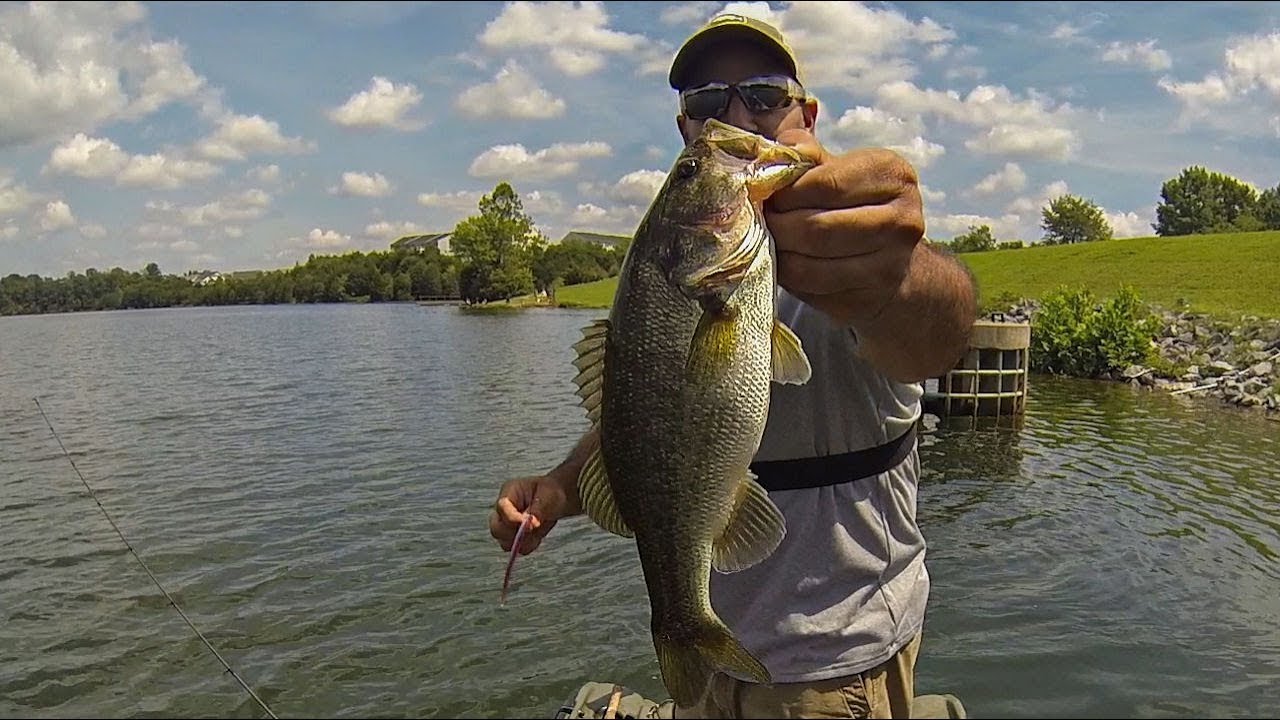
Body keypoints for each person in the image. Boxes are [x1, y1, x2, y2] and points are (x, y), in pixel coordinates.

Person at [490, 13, 978, 720]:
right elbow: (653, 408)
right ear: (686, 129)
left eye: (763, 94)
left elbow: (936, 343)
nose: (737, 116)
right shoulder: (667, 268)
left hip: (831, 660)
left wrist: (900, 276)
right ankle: (681, 625)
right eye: (709, 105)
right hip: (718, 632)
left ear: (804, 114)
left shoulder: (864, 250)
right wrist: (562, 488)